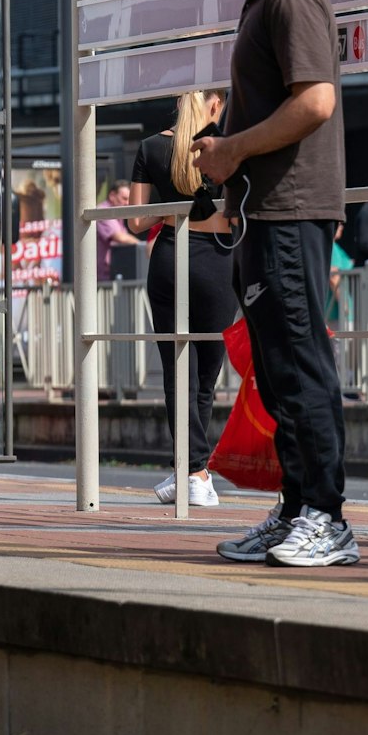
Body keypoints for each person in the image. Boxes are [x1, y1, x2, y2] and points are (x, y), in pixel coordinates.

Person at [195, 0, 356, 568]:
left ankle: (327, 518)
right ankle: (297, 510)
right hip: (268, 212)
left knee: (299, 364)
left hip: (289, 210)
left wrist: (231, 149)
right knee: (278, 367)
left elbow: (315, 100)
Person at [127, 90, 239, 507]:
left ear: (179, 100)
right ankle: (194, 471)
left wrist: (172, 206)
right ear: (215, 104)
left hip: (172, 257)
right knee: (206, 376)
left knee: (179, 373)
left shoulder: (151, 147)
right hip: (219, 262)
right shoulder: (228, 146)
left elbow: (136, 222)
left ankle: (190, 470)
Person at [96, 183, 144, 281]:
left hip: (112, 274)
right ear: (112, 196)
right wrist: (143, 246)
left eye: (129, 200)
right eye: (124, 198)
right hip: (100, 278)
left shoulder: (117, 214)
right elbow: (121, 238)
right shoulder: (103, 211)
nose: (127, 203)